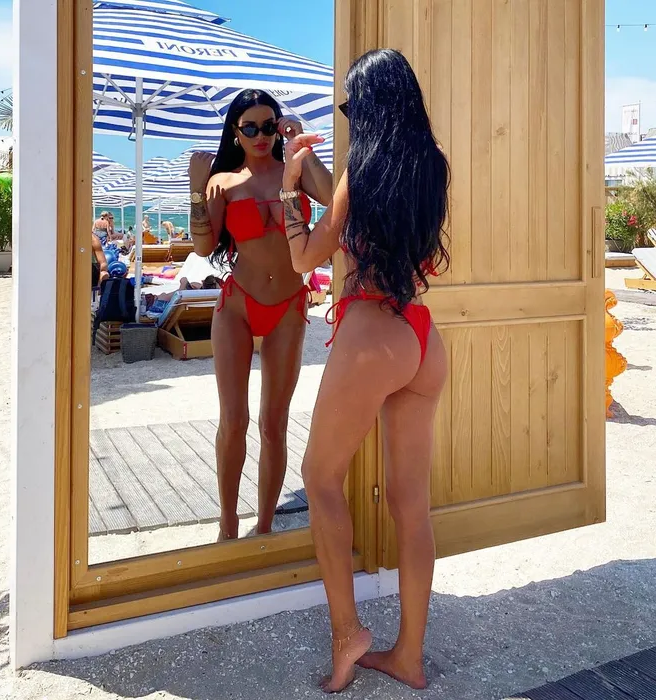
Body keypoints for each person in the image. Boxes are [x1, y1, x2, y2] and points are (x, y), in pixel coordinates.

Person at [281, 49, 450, 693]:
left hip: (372, 331)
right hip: (421, 336)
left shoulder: (362, 172)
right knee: (412, 504)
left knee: (320, 478)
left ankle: (348, 632)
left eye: (353, 107)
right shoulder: (431, 166)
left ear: (370, 106)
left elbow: (305, 258)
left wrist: (289, 187)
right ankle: (409, 655)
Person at [189, 89, 332, 541]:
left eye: (268, 125)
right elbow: (203, 247)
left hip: (288, 306)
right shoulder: (223, 182)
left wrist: (300, 148)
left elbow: (333, 196)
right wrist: (195, 189)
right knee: (234, 421)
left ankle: (265, 526)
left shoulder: (293, 171)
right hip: (237, 306)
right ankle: (228, 524)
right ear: (235, 131)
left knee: (274, 424)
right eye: (249, 127)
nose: (260, 135)